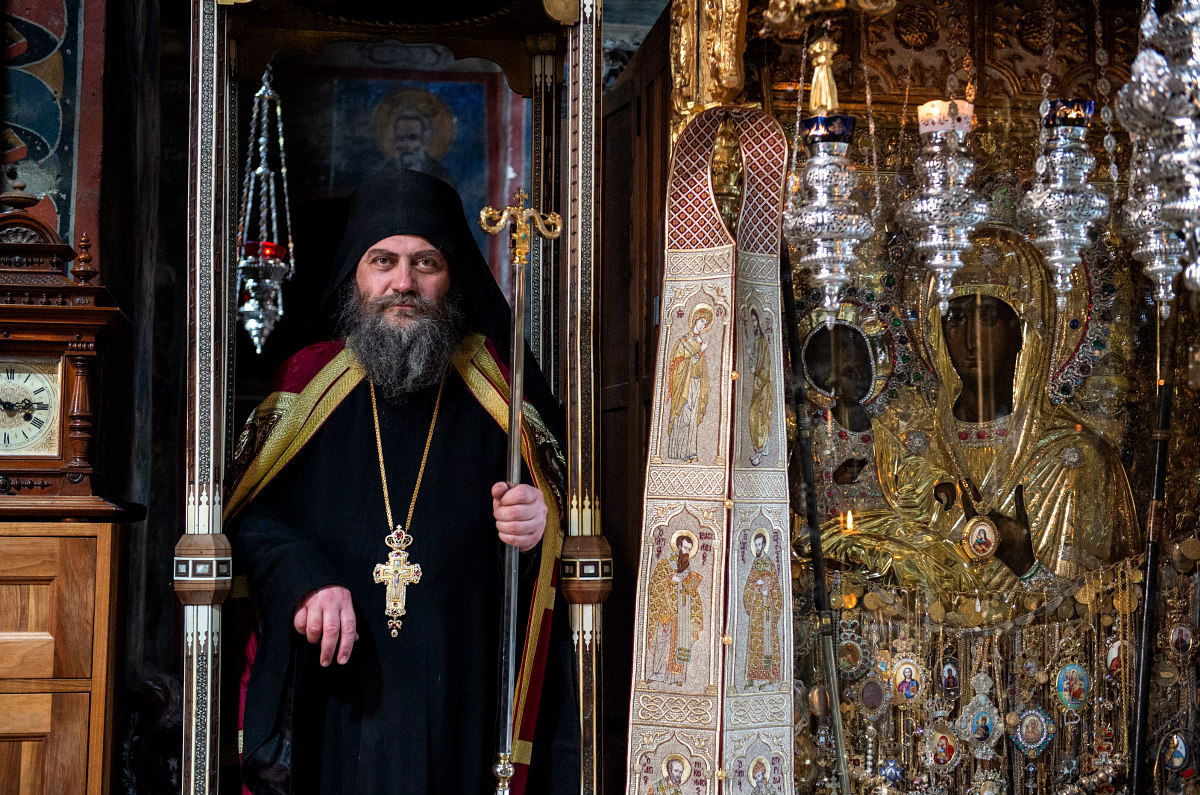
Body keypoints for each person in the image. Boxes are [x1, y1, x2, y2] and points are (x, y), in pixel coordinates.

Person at [227, 170, 579, 795]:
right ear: (355, 274)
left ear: (452, 278)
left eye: (426, 263)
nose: (404, 283)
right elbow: (246, 517)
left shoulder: (501, 386)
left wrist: (540, 522)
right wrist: (305, 577)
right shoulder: (307, 384)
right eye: (383, 261)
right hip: (337, 695)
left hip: (463, 692)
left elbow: (562, 528)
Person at [647, 531, 704, 685]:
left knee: (680, 642)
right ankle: (658, 673)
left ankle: (677, 677)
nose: (686, 552)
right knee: (662, 640)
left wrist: (691, 588)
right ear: (678, 546)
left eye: (689, 549)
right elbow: (655, 582)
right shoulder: (666, 563)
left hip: (682, 611)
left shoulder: (688, 567)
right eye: (684, 548)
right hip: (666, 610)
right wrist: (670, 579)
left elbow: (691, 592)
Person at [666, 304, 713, 462]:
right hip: (685, 383)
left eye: (705, 324)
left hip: (696, 382)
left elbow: (701, 366)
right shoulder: (684, 341)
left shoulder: (700, 341)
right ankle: (681, 451)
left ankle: (691, 451)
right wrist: (700, 351)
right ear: (695, 319)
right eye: (701, 321)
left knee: (693, 418)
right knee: (685, 416)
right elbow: (680, 363)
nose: (703, 325)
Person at [743, 530, 782, 688]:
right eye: (756, 545)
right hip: (756, 608)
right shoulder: (754, 564)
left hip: (767, 607)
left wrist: (768, 592)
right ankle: (752, 678)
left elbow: (776, 587)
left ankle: (769, 678)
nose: (758, 547)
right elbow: (748, 585)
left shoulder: (770, 564)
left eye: (760, 544)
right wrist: (755, 584)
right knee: (754, 642)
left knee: (768, 642)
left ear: (764, 545)